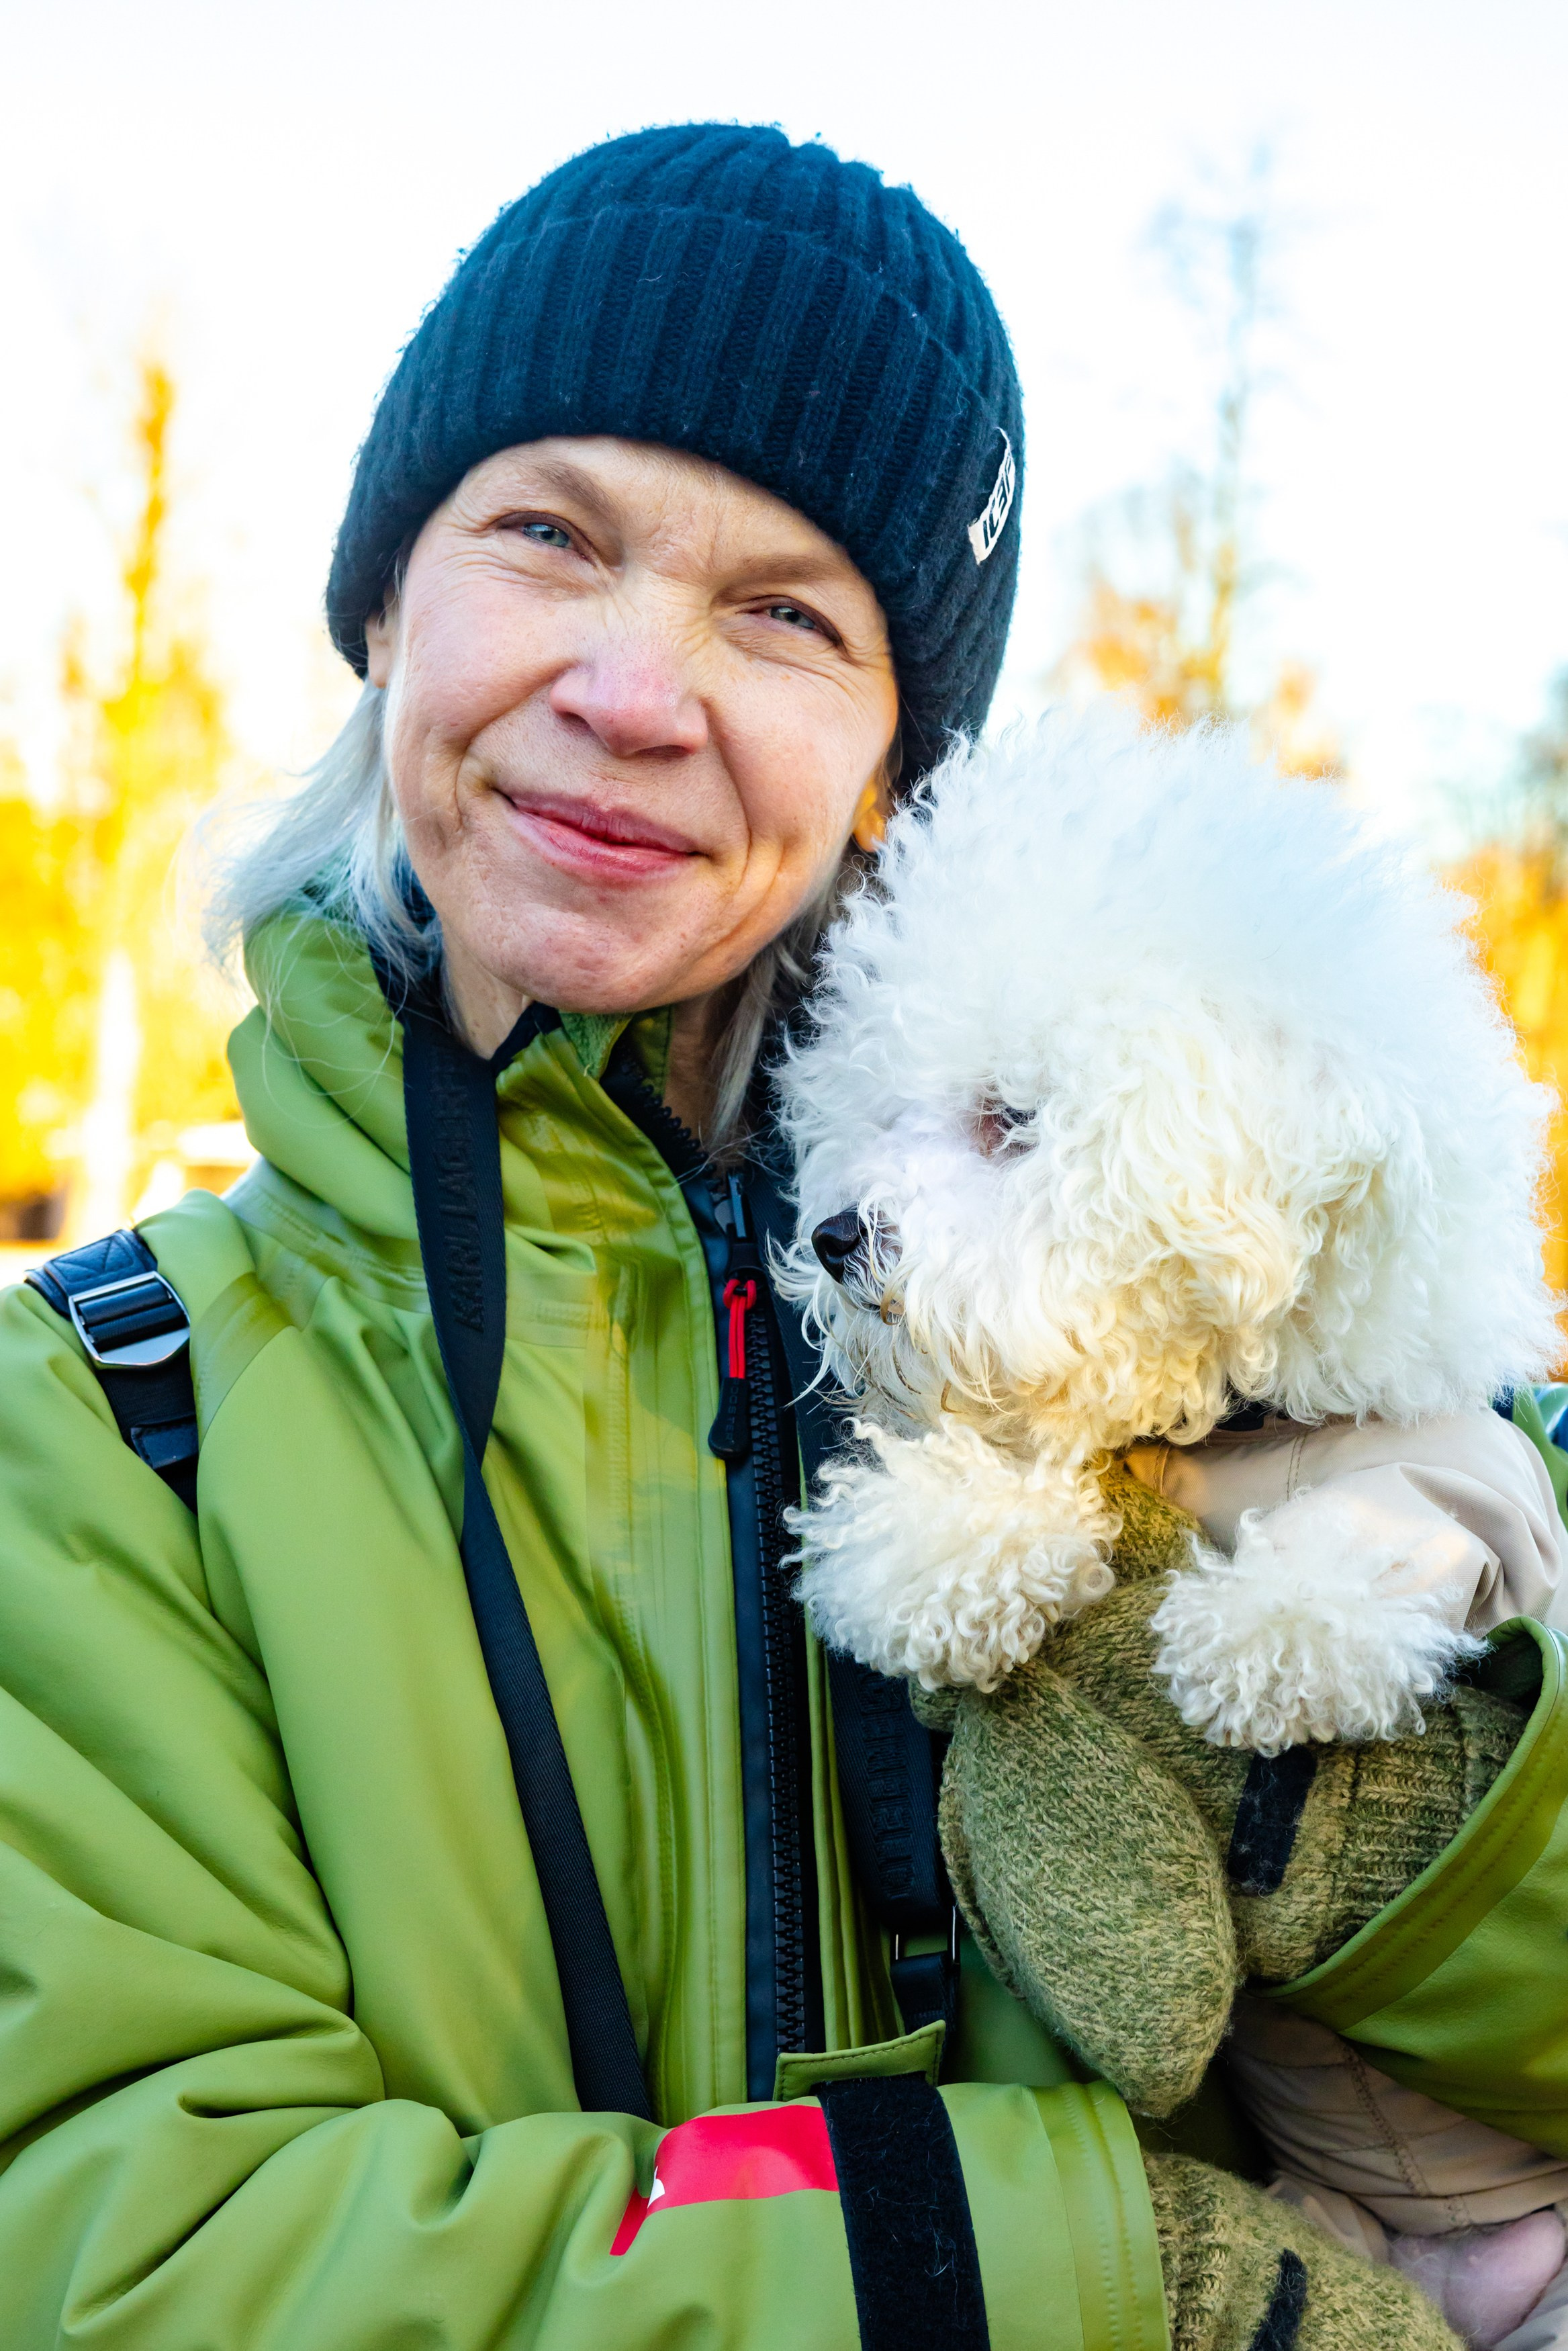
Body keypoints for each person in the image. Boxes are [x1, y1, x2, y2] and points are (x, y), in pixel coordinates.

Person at [0, 124, 1469, 2351]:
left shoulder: (1178, 1314)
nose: (632, 686)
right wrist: (1090, 2277)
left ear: (896, 757)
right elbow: (136, 2251)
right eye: (548, 533)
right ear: (391, 598)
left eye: (785, 612)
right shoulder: (107, 1440)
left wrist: (1436, 1800)